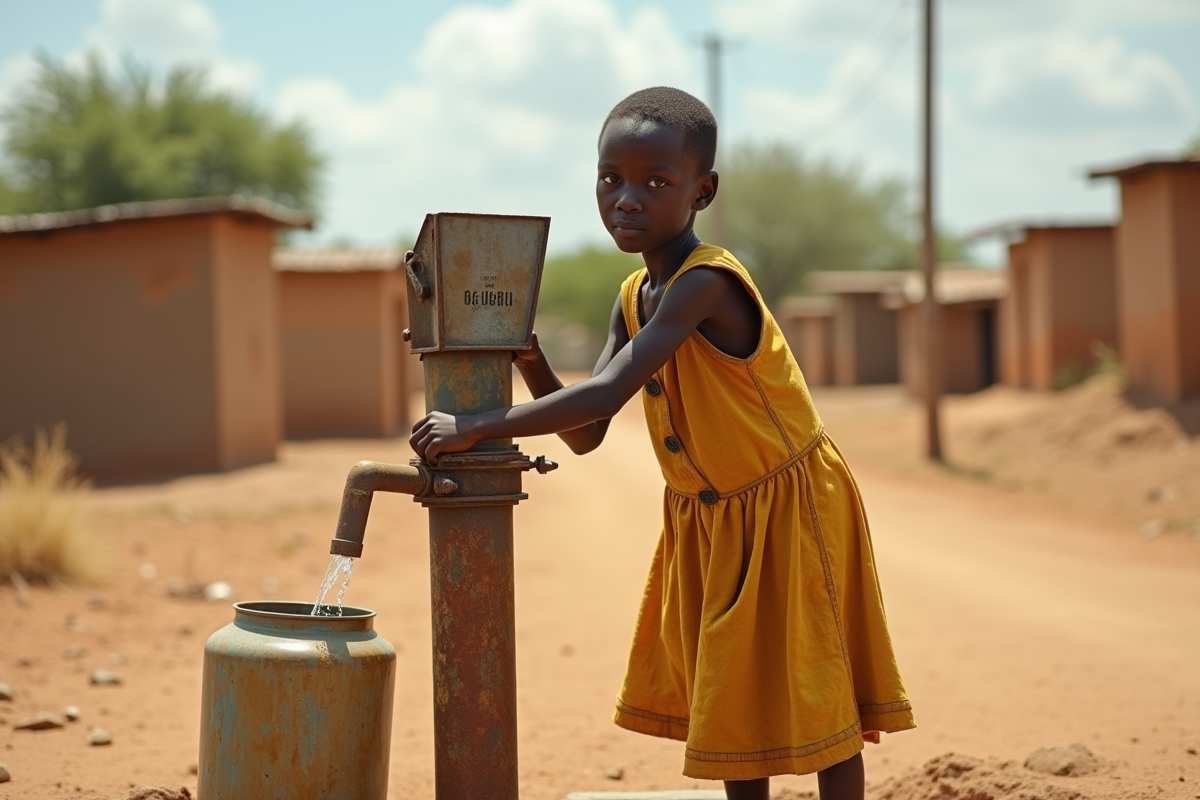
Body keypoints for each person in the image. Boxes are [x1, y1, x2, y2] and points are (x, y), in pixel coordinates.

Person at [410, 86, 914, 800]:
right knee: (732, 698)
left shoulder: (704, 282)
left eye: (656, 182)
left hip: (788, 503)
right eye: (610, 179)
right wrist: (529, 361)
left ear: (701, 191)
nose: (626, 199)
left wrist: (475, 426)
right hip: (711, 516)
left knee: (819, 688)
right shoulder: (633, 294)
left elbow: (607, 393)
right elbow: (585, 434)